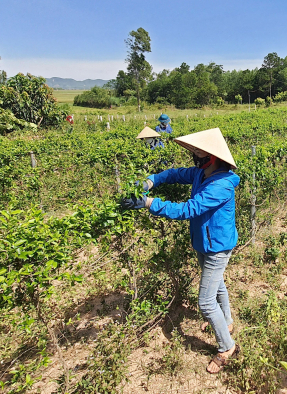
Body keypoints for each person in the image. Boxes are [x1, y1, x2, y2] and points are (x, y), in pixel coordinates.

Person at [121, 127, 241, 374]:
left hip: (217, 246)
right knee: (217, 285)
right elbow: (175, 174)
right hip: (204, 241)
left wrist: (148, 202)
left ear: (214, 156)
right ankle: (226, 323)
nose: (195, 154)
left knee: (206, 302)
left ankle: (227, 347)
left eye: (200, 151)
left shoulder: (222, 184)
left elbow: (189, 209)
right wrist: (151, 180)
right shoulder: (201, 173)